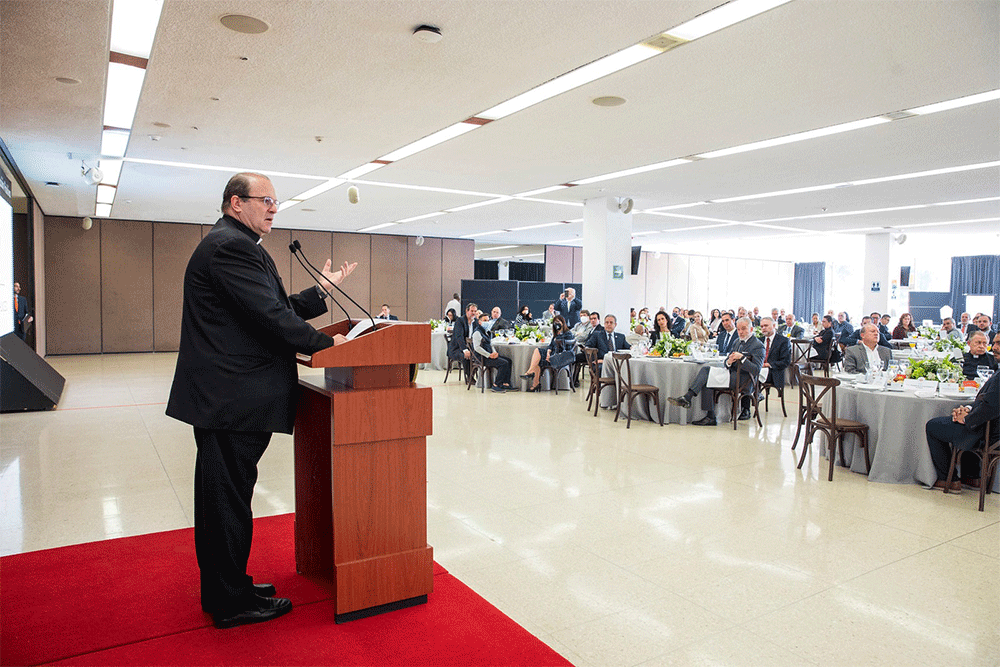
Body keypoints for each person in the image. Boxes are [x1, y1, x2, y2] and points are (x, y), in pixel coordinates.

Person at [166, 172, 356, 629]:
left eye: (276, 201)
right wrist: (330, 348)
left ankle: (229, 585)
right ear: (236, 203)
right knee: (226, 501)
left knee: (226, 498)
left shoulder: (237, 244)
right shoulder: (230, 247)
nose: (273, 207)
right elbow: (268, 317)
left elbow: (272, 306)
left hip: (228, 399)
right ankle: (231, 602)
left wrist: (321, 291)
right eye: (265, 200)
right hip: (231, 400)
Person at [668, 317, 764, 424]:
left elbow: (756, 370)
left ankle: (694, 403)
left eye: (744, 329)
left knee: (707, 376)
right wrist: (729, 361)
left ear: (751, 329)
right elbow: (726, 362)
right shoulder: (737, 342)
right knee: (706, 371)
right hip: (731, 374)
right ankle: (702, 409)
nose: (740, 332)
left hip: (744, 380)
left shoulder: (758, 346)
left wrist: (742, 358)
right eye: (738, 329)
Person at [924, 370, 998, 490]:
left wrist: (966, 419)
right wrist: (968, 409)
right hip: (989, 429)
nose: (994, 349)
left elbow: (991, 407)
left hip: (990, 435)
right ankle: (972, 477)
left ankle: (948, 479)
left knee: (933, 426)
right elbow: (987, 400)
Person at [522, 315, 575, 391]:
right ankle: (535, 383)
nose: (556, 324)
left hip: (561, 358)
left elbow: (562, 346)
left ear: (563, 323)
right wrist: (548, 353)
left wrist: (559, 334)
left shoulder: (568, 334)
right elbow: (550, 345)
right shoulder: (556, 334)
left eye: (558, 322)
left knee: (538, 356)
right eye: (555, 323)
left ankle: (530, 373)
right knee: (537, 355)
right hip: (553, 355)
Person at [471, 313, 516, 392]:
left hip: (489, 355)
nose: (487, 322)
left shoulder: (486, 331)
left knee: (508, 361)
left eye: (488, 320)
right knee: (503, 363)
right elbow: (477, 348)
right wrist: (489, 355)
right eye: (484, 320)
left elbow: (490, 344)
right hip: (482, 357)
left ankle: (506, 383)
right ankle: (496, 385)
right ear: (479, 322)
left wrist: (494, 352)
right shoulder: (477, 333)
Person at [759, 317, 791, 395]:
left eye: (766, 326)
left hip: (773, 371)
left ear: (773, 326)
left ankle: (755, 396)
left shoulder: (783, 341)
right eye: (762, 326)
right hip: (759, 369)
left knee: (753, 377)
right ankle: (746, 402)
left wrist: (767, 364)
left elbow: (785, 362)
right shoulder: (759, 340)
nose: (763, 328)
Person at [448, 302, 479, 376]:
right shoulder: (460, 321)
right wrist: (465, 350)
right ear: (467, 311)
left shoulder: (475, 322)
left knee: (479, 356)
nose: (473, 313)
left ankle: (474, 376)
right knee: (467, 356)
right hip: (456, 348)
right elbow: (459, 337)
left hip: (471, 347)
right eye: (472, 311)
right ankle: (469, 377)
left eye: (475, 311)